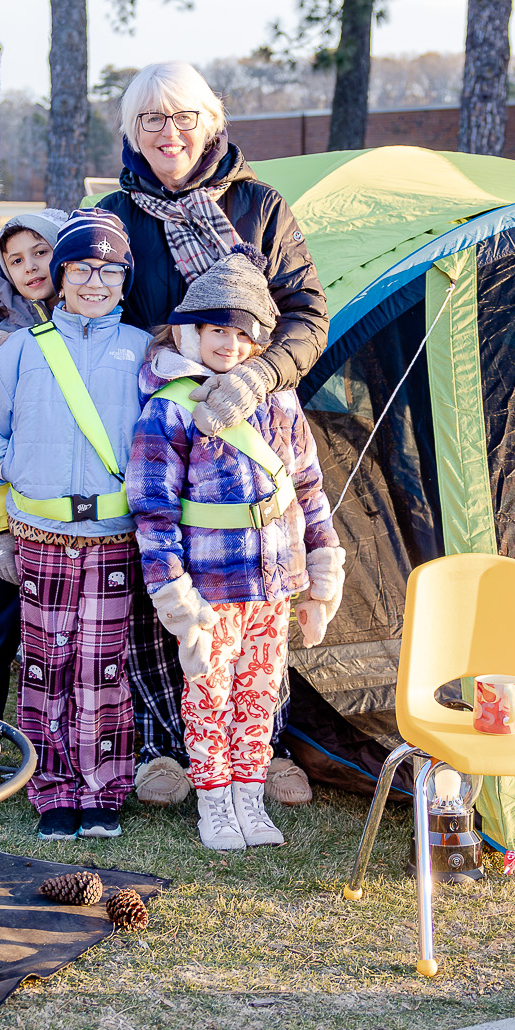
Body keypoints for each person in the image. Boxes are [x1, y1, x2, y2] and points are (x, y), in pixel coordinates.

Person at [97, 60, 330, 808]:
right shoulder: (115, 214)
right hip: (155, 416)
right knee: (163, 578)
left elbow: (306, 316)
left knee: (256, 590)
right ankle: (162, 746)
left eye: (183, 117)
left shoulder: (260, 207)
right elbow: (82, 296)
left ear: (212, 121)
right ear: (132, 133)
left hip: (252, 417)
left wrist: (258, 378)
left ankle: (266, 747)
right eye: (151, 121)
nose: (169, 134)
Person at [127, 246, 343, 849]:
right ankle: (214, 803)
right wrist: (175, 594)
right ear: (190, 330)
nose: (230, 344)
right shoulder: (170, 407)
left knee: (260, 691)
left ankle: (250, 798)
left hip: (274, 580)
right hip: (210, 587)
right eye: (217, 328)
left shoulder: (279, 402)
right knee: (209, 693)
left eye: (245, 334)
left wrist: (320, 571)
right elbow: (153, 510)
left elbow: (307, 486)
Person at [0, 210, 151, 841]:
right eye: (80, 268)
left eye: (109, 270)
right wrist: (13, 465)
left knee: (102, 663)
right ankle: (52, 789)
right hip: (40, 536)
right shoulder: (22, 349)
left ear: (125, 278)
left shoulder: (143, 352)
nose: (94, 282)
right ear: (61, 275)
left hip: (112, 536)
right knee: (46, 661)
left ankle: (103, 788)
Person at [0, 207, 72, 718]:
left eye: (42, 252)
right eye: (15, 259)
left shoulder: (104, 324)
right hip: (23, 520)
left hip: (90, 517)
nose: (30, 268)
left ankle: (66, 734)